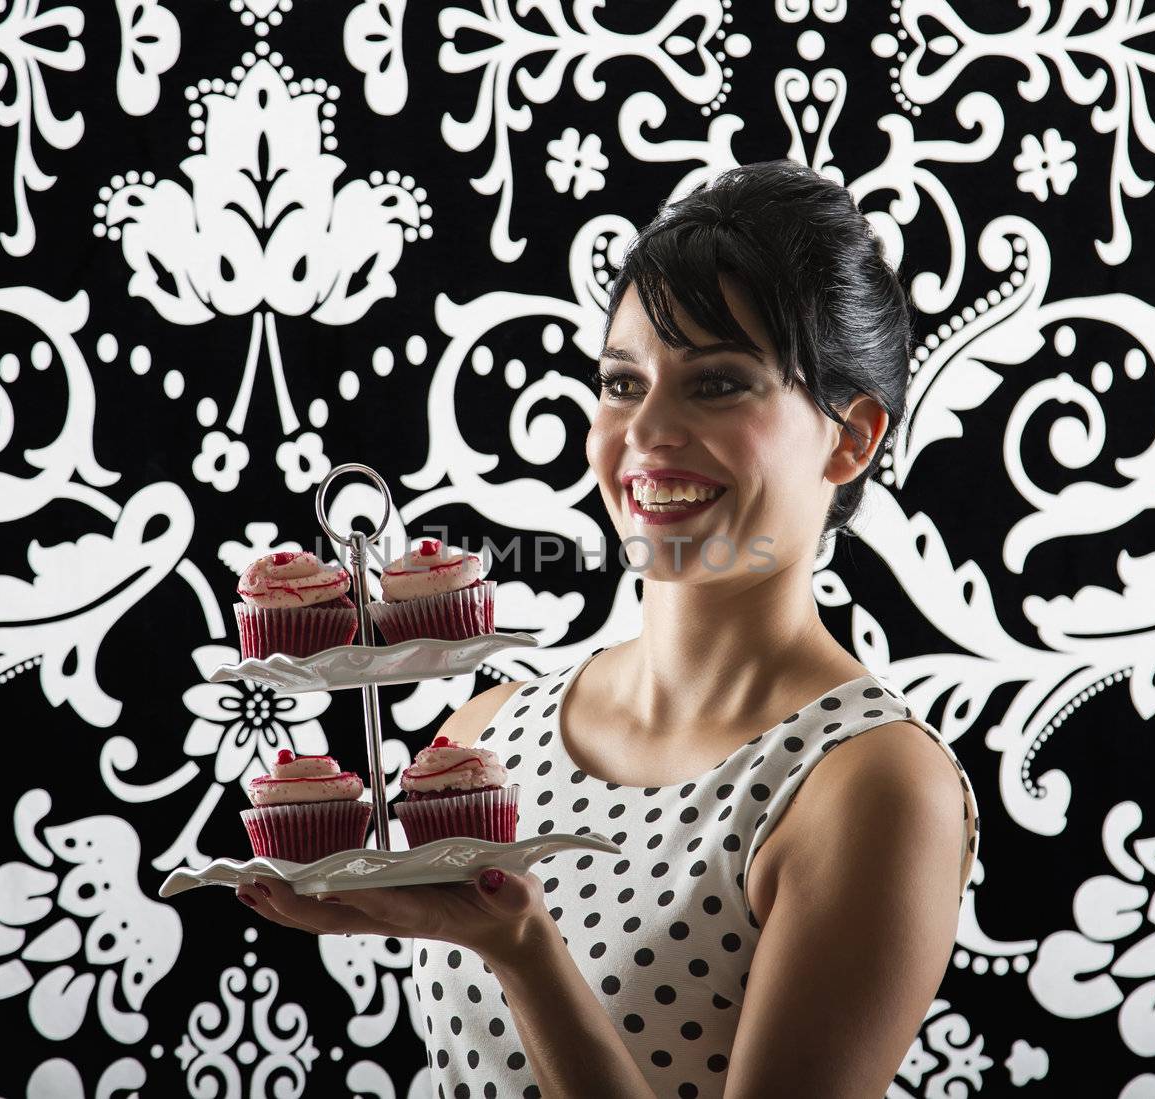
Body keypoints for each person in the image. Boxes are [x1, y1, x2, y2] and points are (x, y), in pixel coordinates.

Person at [235, 159, 981, 1098]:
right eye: (623, 383)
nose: (646, 432)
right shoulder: (485, 738)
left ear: (851, 436)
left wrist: (525, 956)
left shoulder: (873, 786)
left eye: (716, 384)